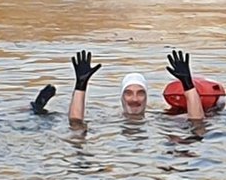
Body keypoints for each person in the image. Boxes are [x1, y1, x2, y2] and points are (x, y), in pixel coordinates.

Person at [68, 49, 204, 124]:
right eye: (128, 93)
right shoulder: (108, 119)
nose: (134, 99)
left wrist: (188, 84)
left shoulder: (158, 119)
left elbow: (196, 121)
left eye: (140, 93)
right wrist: (81, 85)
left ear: (146, 98)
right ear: (121, 98)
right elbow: (75, 123)